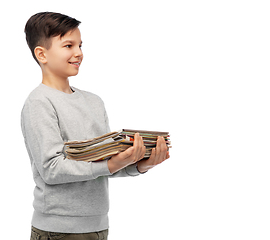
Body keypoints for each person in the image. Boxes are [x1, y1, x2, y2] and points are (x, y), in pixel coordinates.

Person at [21, 12, 170, 240]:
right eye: (68, 45)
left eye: (80, 45)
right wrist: (110, 165)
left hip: (98, 227)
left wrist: (140, 164)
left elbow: (101, 166)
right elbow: (51, 169)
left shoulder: (94, 101)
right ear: (42, 54)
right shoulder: (39, 103)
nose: (78, 53)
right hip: (59, 231)